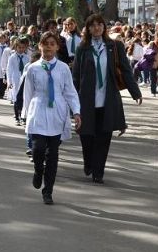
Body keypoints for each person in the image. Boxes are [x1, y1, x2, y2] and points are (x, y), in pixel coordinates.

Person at [72, 14, 142, 184]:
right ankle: (88, 162)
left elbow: (125, 70)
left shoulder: (114, 46)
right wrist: (71, 104)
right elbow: (75, 77)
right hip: (87, 100)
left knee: (104, 136)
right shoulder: (83, 48)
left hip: (107, 99)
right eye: (93, 25)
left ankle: (98, 172)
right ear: (88, 29)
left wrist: (135, 92)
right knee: (86, 136)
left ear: (104, 27)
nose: (97, 28)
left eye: (100, 25)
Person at [23, 32, 81, 205]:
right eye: (45, 43)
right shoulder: (33, 68)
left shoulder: (63, 68)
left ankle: (48, 191)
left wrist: (76, 112)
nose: (48, 46)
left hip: (57, 113)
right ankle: (38, 170)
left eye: (52, 44)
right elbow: (28, 93)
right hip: (39, 111)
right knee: (38, 149)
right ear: (40, 46)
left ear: (57, 47)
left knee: (53, 155)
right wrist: (26, 116)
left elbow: (70, 92)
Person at [7, 36, 31, 126]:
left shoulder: (27, 58)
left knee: (24, 98)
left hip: (24, 80)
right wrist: (9, 82)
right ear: (16, 47)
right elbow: (9, 70)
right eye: (19, 47)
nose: (21, 49)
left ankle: (23, 116)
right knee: (16, 98)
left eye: (23, 47)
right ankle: (17, 117)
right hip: (15, 80)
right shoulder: (12, 57)